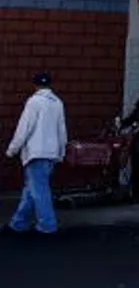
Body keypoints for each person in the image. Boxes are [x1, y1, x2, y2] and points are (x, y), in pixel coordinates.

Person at [3, 72, 68, 235]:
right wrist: (61, 152)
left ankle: (48, 225)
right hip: (51, 153)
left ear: (35, 85)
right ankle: (19, 223)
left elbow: (24, 128)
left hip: (35, 153)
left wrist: (12, 149)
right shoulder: (57, 103)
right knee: (31, 190)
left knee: (39, 191)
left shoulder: (34, 102)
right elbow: (62, 131)